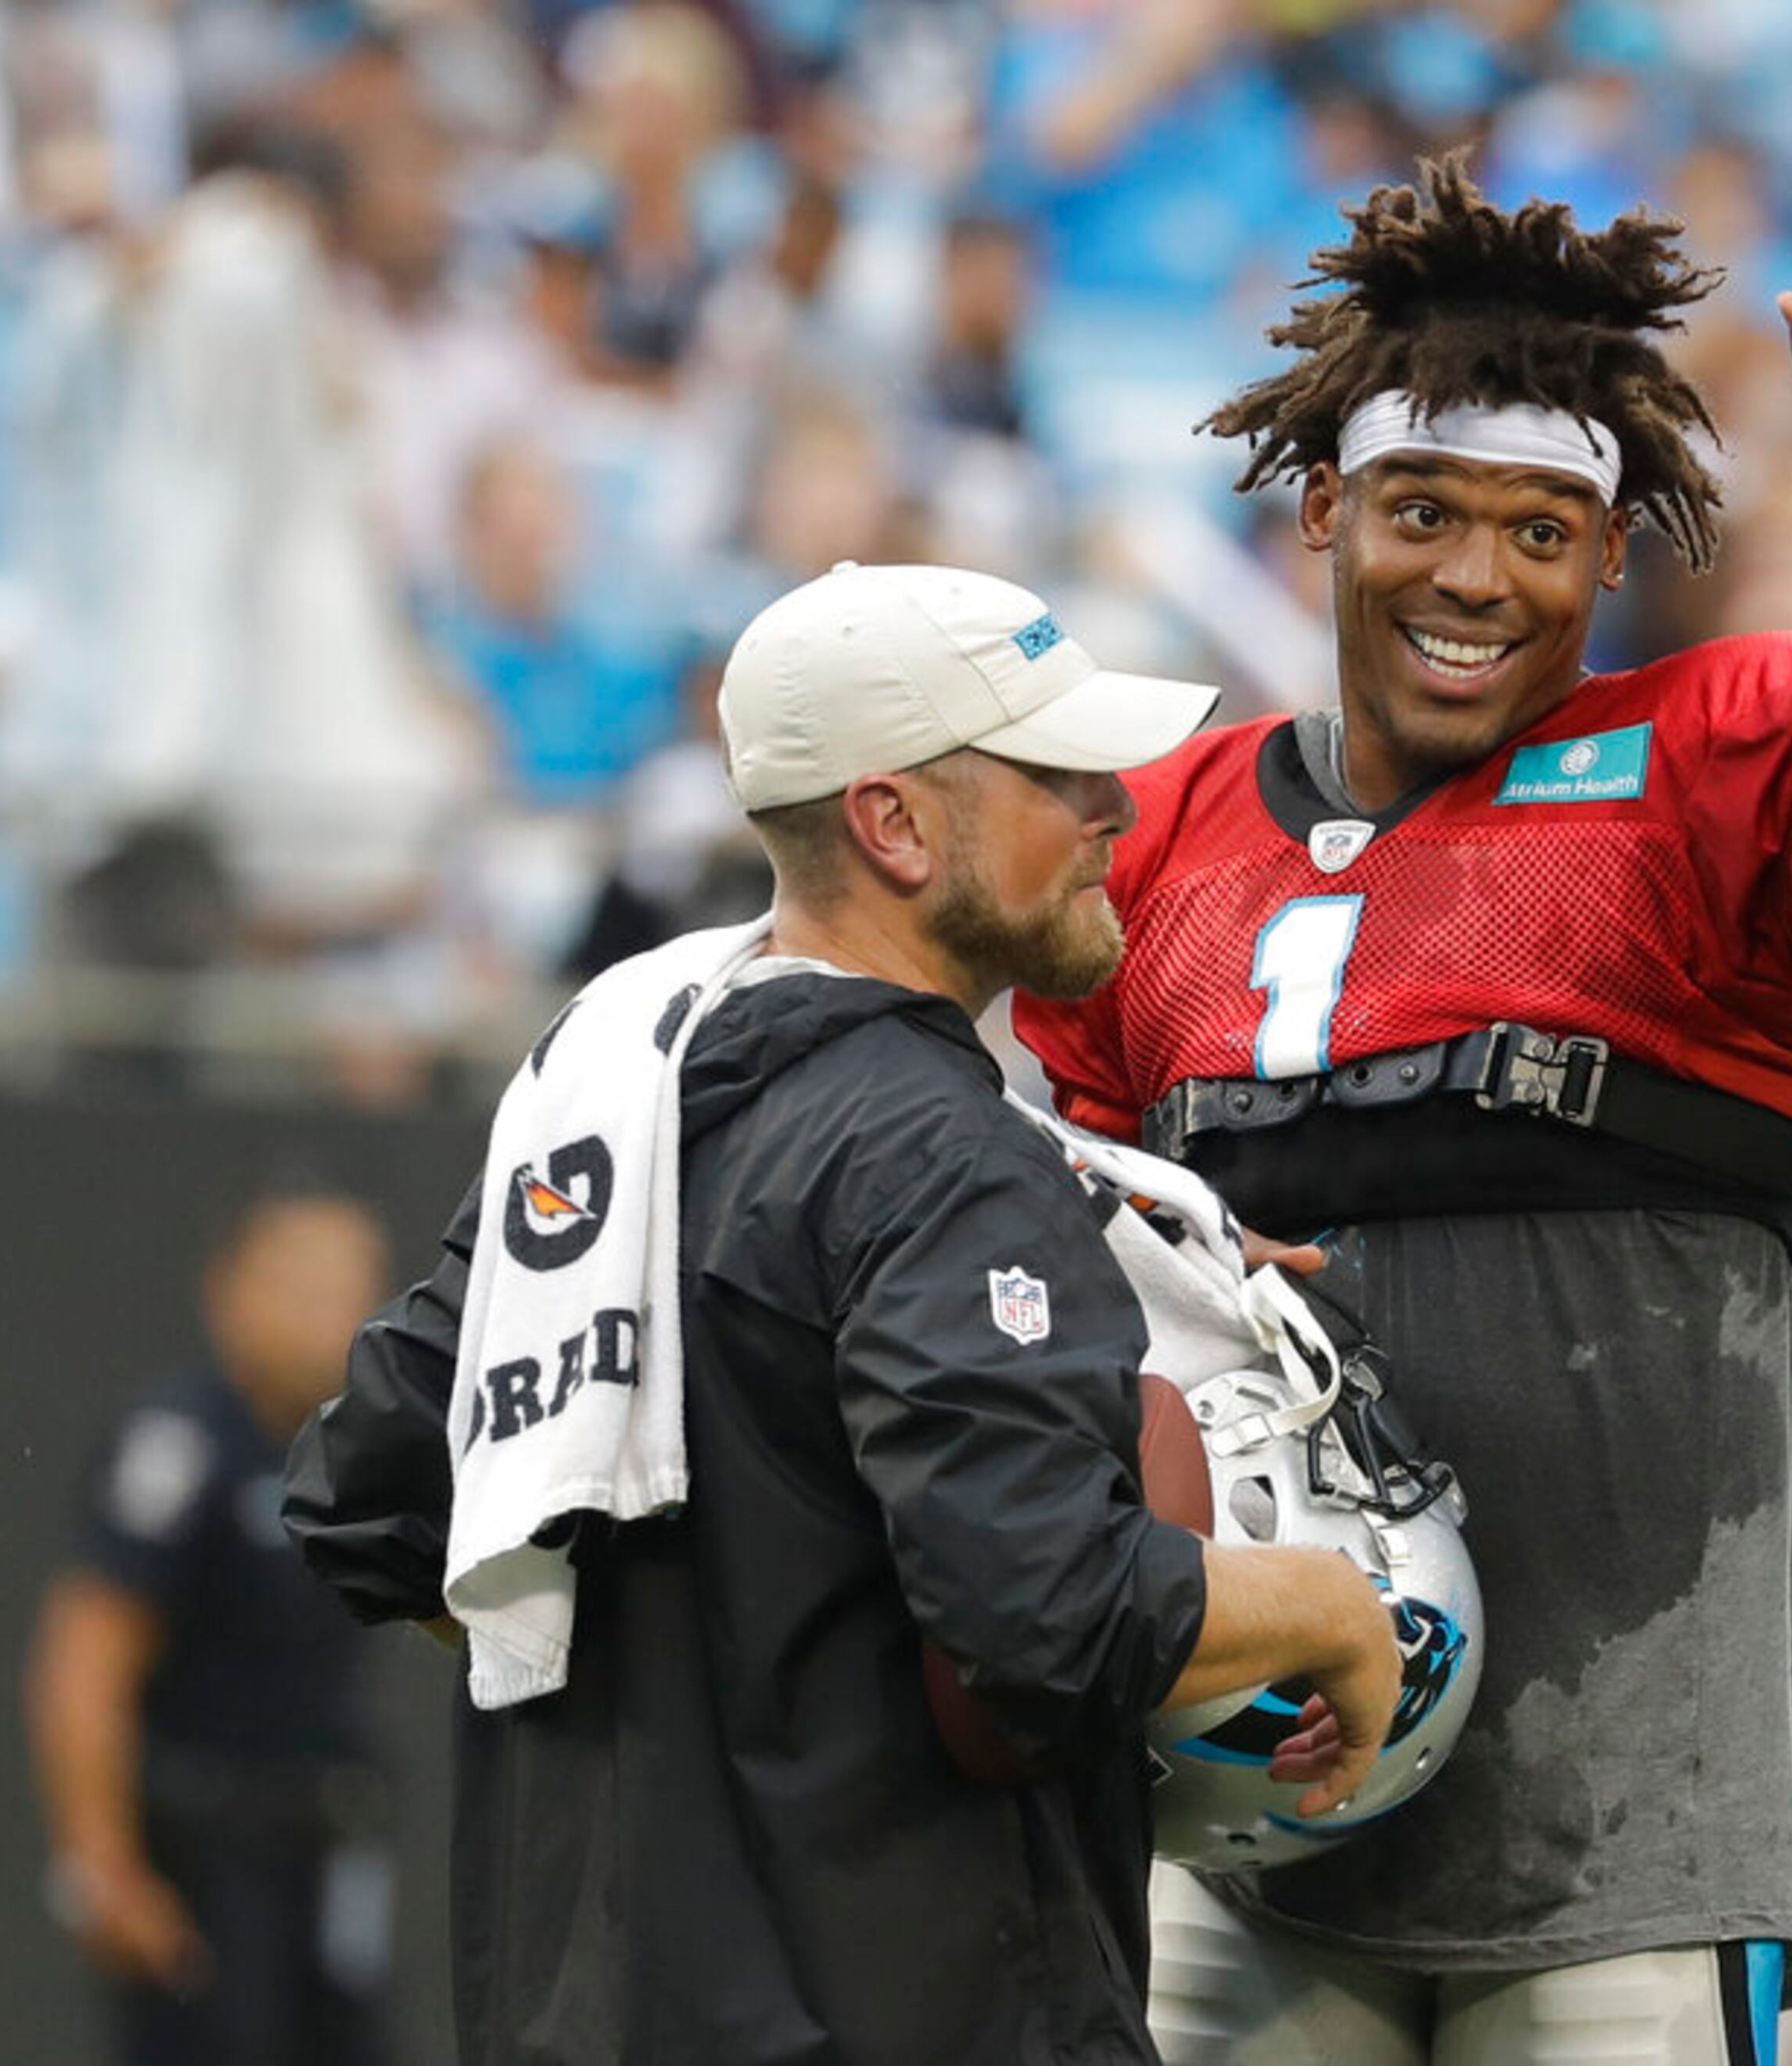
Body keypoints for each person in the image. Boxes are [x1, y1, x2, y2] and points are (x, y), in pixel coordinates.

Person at [1014, 124, 1792, 2062]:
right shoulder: (1160, 831)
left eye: (1536, 530)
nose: (1473, 574)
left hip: (1624, 1835)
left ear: (1609, 552)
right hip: (1235, 1826)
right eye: (1422, 509)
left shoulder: (1711, 766)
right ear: (1324, 512)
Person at [283, 563, 1404, 2064]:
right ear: (893, 824)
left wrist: (684, 1676)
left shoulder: (605, 1113)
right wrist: (1329, 1608)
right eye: (1057, 776)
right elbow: (1044, 1616)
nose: (1114, 813)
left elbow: (365, 1494)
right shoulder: (945, 1155)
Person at [26, 1187, 399, 2066]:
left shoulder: (369, 1448)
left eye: (349, 1285)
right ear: (227, 1291)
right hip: (206, 1859)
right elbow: (85, 1659)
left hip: (330, 1847)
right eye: (299, 1283)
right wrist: (100, 1867)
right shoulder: (179, 1445)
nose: (327, 1311)